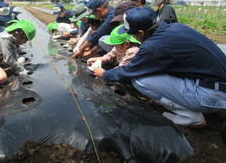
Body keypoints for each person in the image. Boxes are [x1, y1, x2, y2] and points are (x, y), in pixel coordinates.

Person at [94, 7, 226, 127]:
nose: (133, 36)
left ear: (141, 32)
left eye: (132, 34)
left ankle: (190, 116)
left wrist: (104, 74)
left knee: (140, 80)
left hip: (210, 96)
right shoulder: (177, 28)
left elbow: (129, 72)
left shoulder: (153, 46)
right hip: (217, 87)